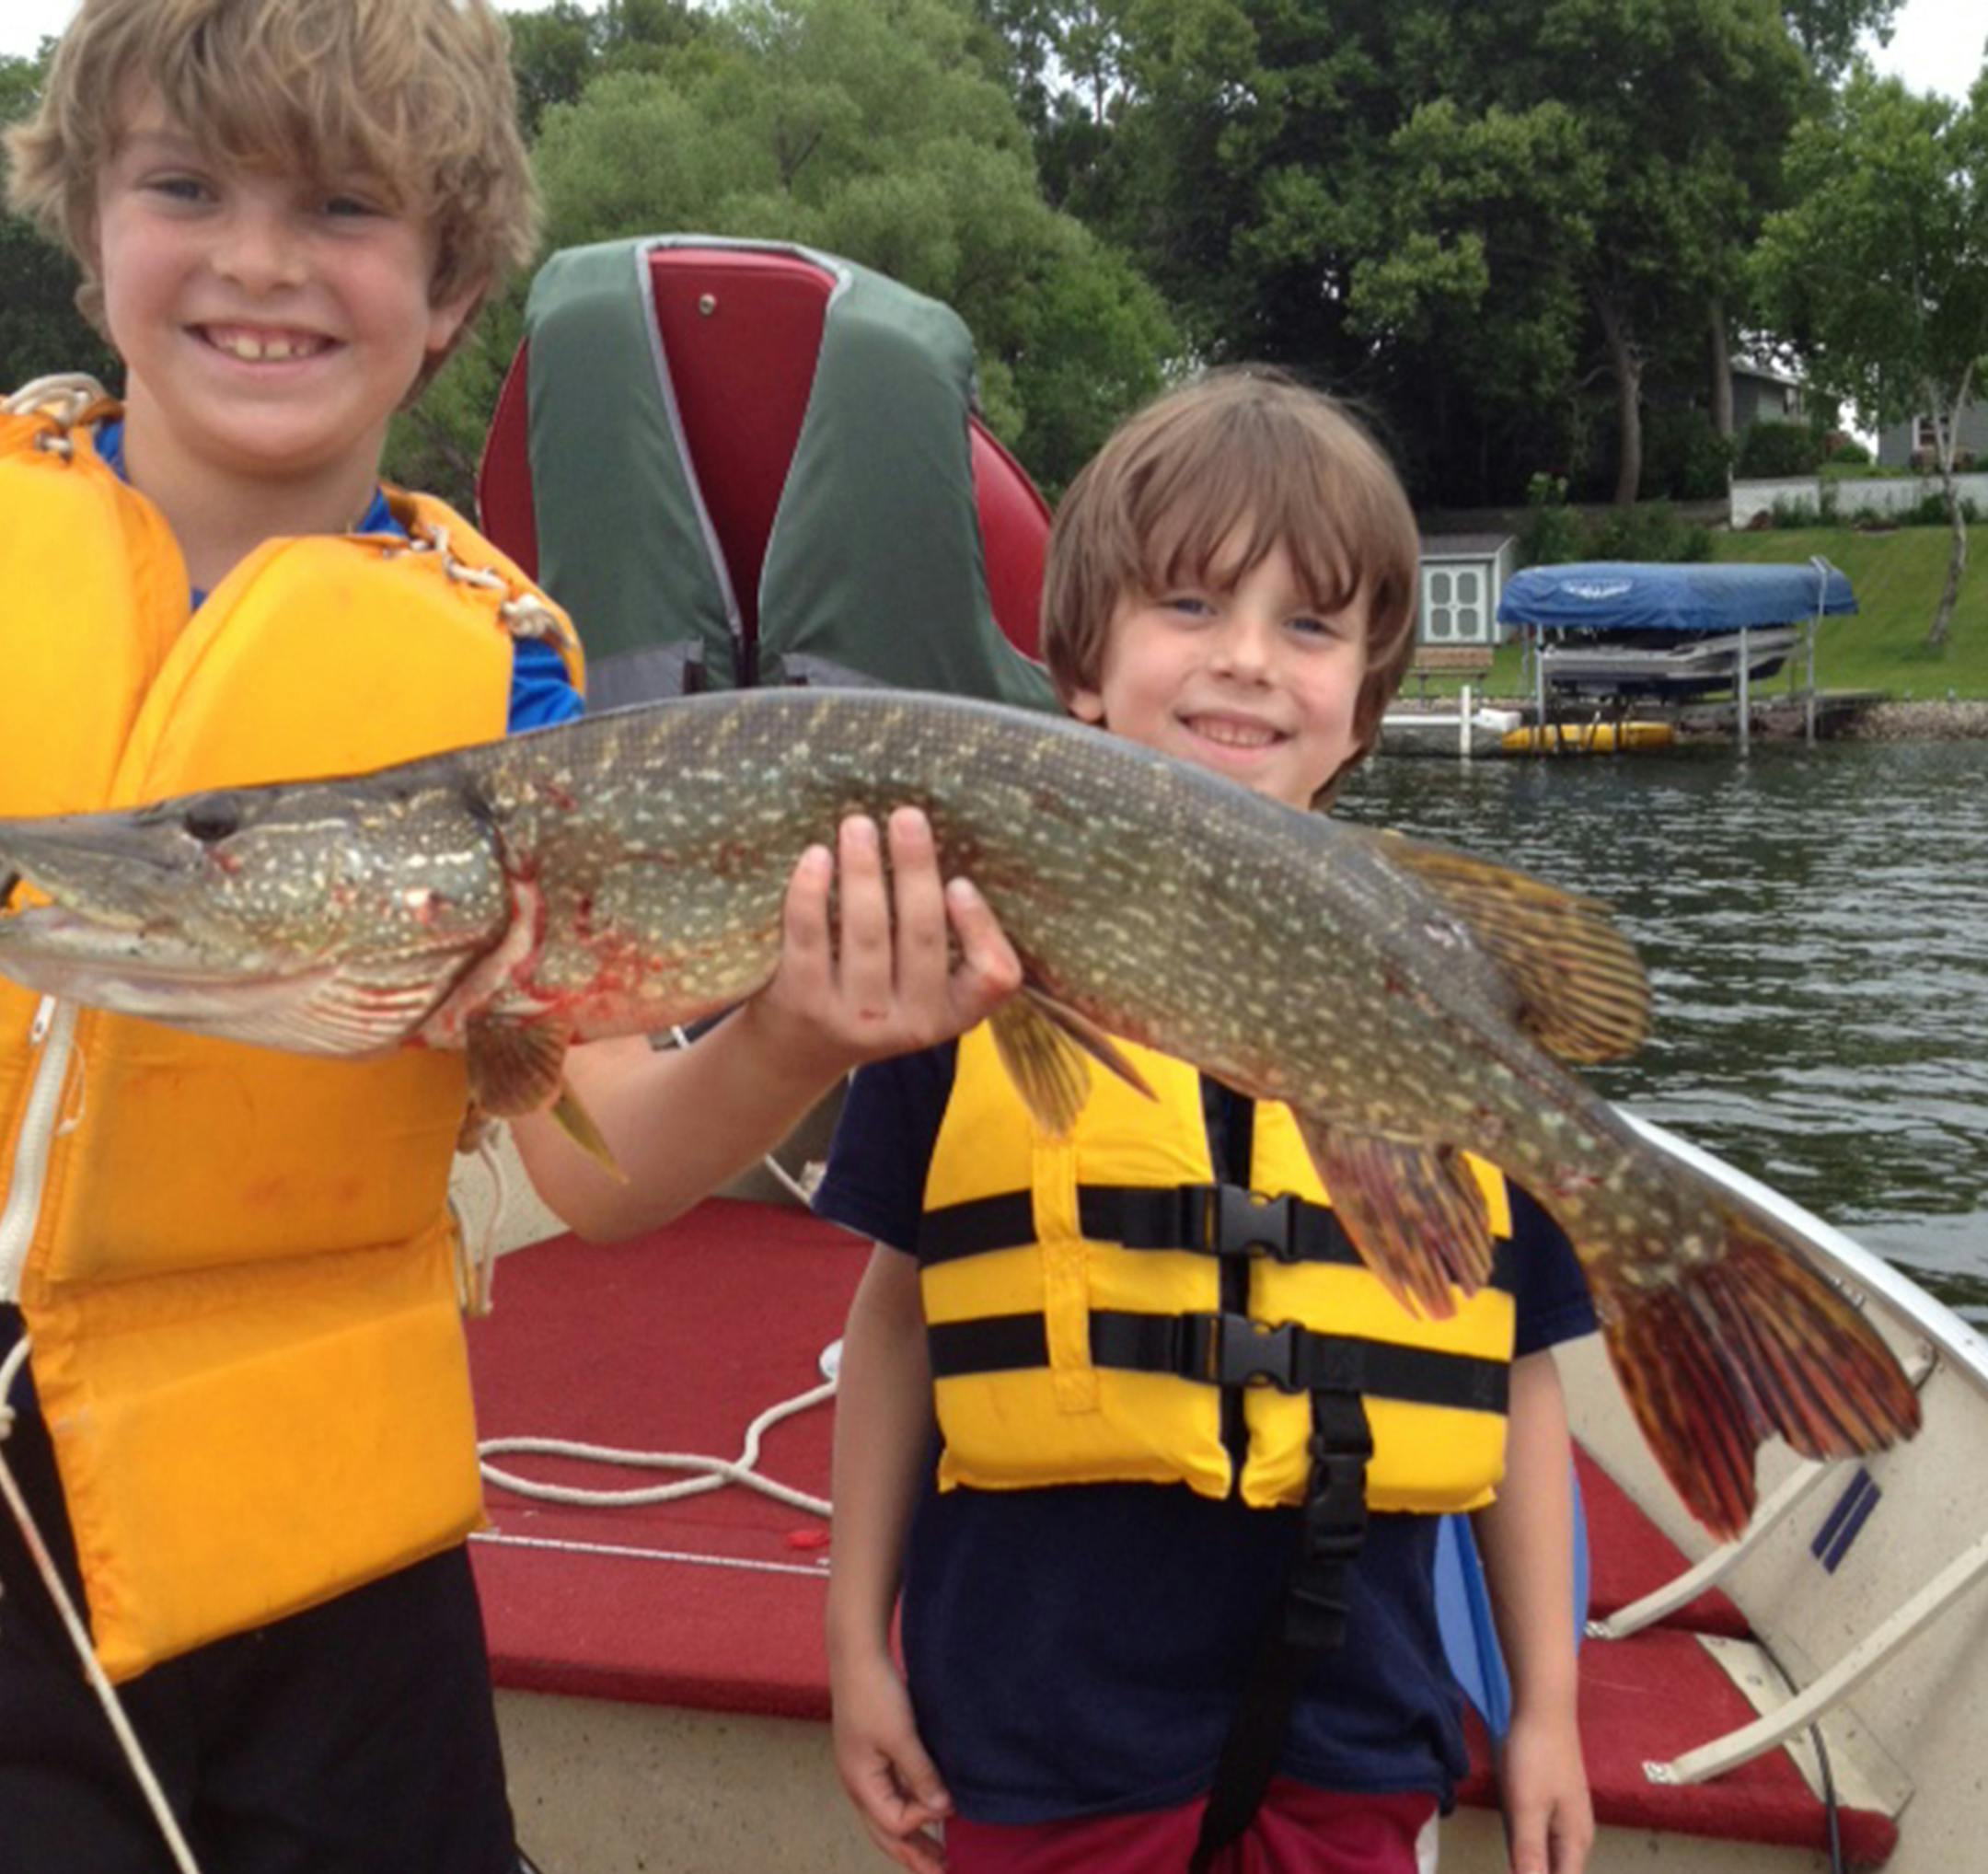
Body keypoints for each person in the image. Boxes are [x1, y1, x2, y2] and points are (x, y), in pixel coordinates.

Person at [0, 4, 1015, 1870]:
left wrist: (791, 1032)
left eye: (342, 208)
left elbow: (598, 1156)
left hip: (327, 1533)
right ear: (87, 231)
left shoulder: (509, 680)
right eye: (184, 186)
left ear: (451, 282)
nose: (256, 260)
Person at [815, 370, 1599, 1874]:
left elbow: (1522, 1375)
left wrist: (1547, 1710)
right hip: (1044, 1732)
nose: (1244, 663)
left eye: (1307, 626)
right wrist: (857, 1642)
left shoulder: (1439, 983)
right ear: (1084, 664)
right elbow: (900, 1323)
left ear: (1364, 701)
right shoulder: (968, 965)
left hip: (1357, 1730)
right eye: (1187, 604)